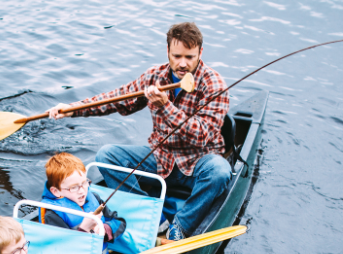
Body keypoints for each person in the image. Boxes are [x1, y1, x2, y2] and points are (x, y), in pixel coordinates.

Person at [48, 22, 230, 241]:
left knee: (220, 170)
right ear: (168, 52)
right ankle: (153, 219)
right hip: (161, 158)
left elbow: (201, 137)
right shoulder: (155, 76)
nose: (182, 63)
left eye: (189, 57)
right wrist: (73, 110)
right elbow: (118, 99)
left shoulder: (214, 84)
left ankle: (180, 226)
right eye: (177, 56)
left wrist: (166, 106)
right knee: (107, 155)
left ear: (200, 53)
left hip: (198, 163)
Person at [39, 152, 144, 254]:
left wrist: (105, 229)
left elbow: (118, 221)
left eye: (84, 183)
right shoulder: (52, 213)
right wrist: (83, 229)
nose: (82, 191)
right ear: (56, 191)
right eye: (74, 187)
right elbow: (59, 250)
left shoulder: (93, 197)